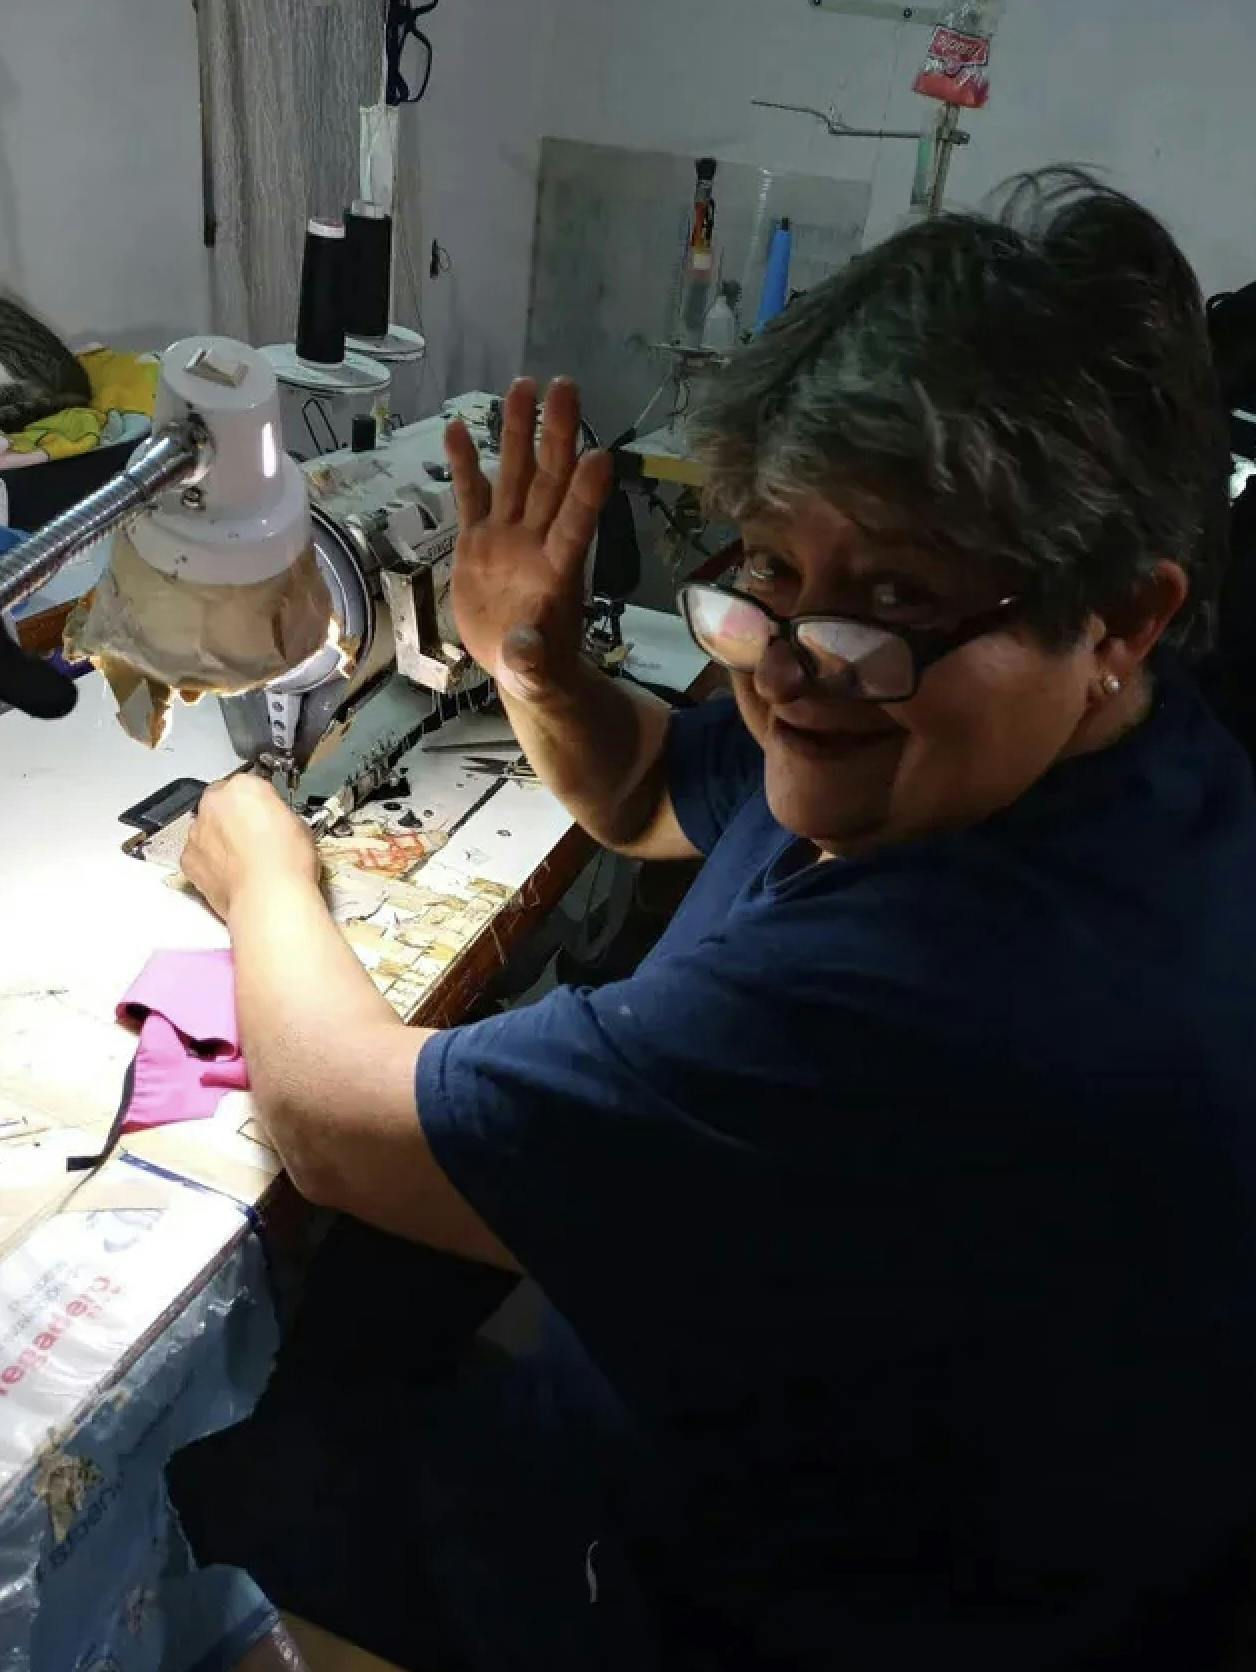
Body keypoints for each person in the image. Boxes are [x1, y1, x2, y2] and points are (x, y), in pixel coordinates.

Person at [170, 170, 1256, 1670]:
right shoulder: (1084, 751)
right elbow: (645, 795)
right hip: (775, 1425)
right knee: (361, 1324)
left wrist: (260, 863)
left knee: (208, 1489)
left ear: (1122, 618)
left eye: (892, 598)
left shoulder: (952, 993)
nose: (789, 668)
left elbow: (339, 1131)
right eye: (771, 569)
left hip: (752, 1601)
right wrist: (531, 658)